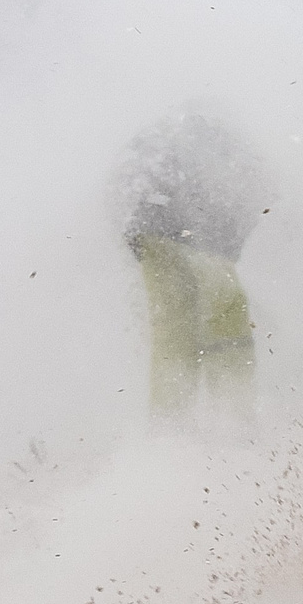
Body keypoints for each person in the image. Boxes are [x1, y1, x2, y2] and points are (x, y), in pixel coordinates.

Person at [113, 106, 276, 427]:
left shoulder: (181, 141)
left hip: (147, 224)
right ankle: (235, 420)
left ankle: (169, 430)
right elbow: (229, 222)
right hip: (174, 222)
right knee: (227, 311)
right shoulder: (245, 171)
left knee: (175, 326)